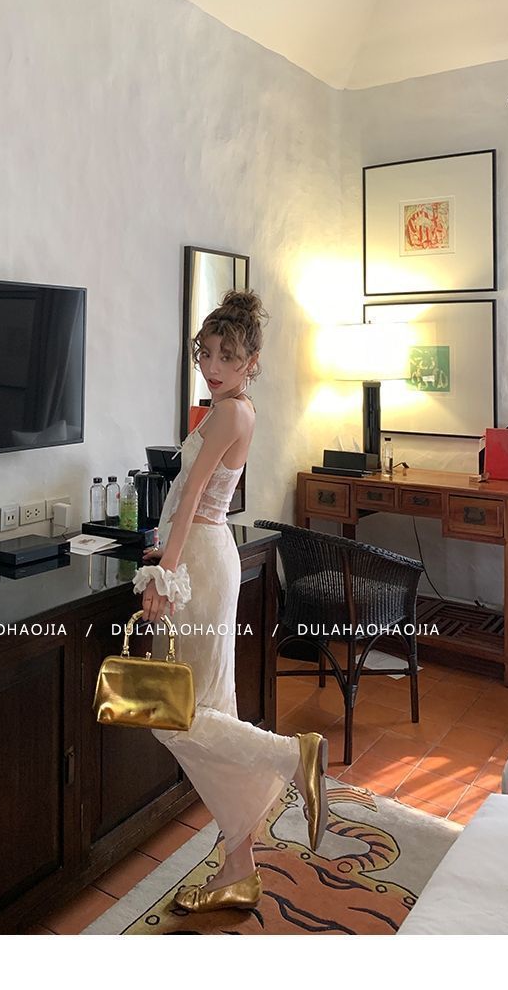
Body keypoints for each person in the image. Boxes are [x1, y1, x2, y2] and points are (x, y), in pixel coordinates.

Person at [131, 288, 328, 914]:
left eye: (227, 356)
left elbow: (192, 495)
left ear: (251, 362)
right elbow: (190, 497)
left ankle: (291, 754)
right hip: (200, 555)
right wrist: (164, 548)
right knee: (207, 712)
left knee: (176, 714)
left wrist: (164, 573)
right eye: (206, 353)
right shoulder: (232, 409)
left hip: (198, 564)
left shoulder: (227, 414)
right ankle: (240, 866)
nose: (213, 366)